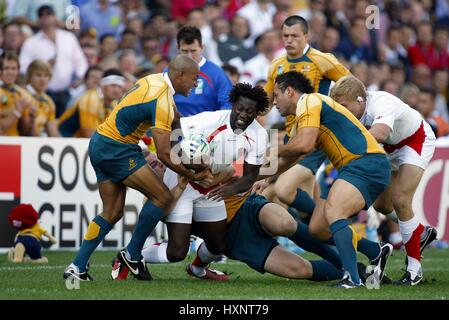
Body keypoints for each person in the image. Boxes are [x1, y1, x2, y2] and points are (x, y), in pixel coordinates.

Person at [63, 55, 211, 281]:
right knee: (162, 196)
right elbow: (163, 153)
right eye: (194, 78)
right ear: (180, 75)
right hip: (118, 149)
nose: (195, 84)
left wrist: (182, 145)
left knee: (112, 212)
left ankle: (77, 267)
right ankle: (132, 254)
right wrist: (191, 174)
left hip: (100, 143)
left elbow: (175, 118)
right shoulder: (161, 98)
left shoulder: (155, 81)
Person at [271, 71, 392, 288]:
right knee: (317, 229)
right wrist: (269, 177)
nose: (274, 102)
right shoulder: (306, 114)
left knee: (335, 213)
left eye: (276, 95)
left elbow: (303, 145)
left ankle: (352, 278)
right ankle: (376, 251)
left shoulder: (309, 100)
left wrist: (272, 149)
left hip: (366, 162)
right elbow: (300, 153)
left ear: (289, 91)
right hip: (354, 168)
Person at [138, 83, 269, 280]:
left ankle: (197, 269)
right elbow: (176, 127)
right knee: (176, 253)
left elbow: (250, 176)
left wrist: (228, 190)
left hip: (211, 187)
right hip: (182, 183)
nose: (243, 114)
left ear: (257, 113)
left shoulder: (259, 135)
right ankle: (133, 257)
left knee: (218, 246)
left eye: (250, 111)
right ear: (233, 105)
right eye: (240, 108)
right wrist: (183, 160)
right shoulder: (213, 119)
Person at [330, 75, 438, 285]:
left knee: (400, 200)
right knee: (382, 205)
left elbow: (380, 132)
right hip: (388, 148)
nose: (341, 110)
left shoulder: (382, 102)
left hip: (416, 141)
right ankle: (420, 232)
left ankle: (414, 272)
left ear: (360, 100)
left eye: (344, 105)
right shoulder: (355, 107)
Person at [260, 15, 350, 218]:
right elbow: (266, 102)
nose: (289, 40)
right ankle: (319, 230)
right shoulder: (276, 64)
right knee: (290, 194)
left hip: (314, 134)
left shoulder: (322, 60)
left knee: (280, 189)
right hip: (289, 134)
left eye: (294, 36)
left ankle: (329, 220)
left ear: (306, 36)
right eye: (285, 36)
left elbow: (350, 86)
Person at [174, 26, 232, 116]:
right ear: (178, 49)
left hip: (208, 127)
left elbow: (227, 105)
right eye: (184, 51)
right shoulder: (169, 73)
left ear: (202, 47)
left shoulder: (216, 74)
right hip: (176, 126)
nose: (189, 56)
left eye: (193, 51)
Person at [58, 69, 124, 138]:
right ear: (102, 85)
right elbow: (90, 135)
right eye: (113, 85)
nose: (116, 90)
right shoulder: (90, 99)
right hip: (62, 140)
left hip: (78, 143)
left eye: (120, 87)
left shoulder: (114, 103)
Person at [22, 59, 60, 137]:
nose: (42, 80)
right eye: (38, 75)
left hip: (39, 142)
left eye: (46, 75)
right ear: (29, 77)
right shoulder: (22, 95)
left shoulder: (49, 101)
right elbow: (23, 131)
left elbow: (53, 133)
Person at [0, 51, 32, 136]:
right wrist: (17, 112)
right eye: (6, 68)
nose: (10, 72)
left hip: (16, 142)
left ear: (18, 71)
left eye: (13, 68)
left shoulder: (24, 95)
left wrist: (31, 118)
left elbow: (25, 132)